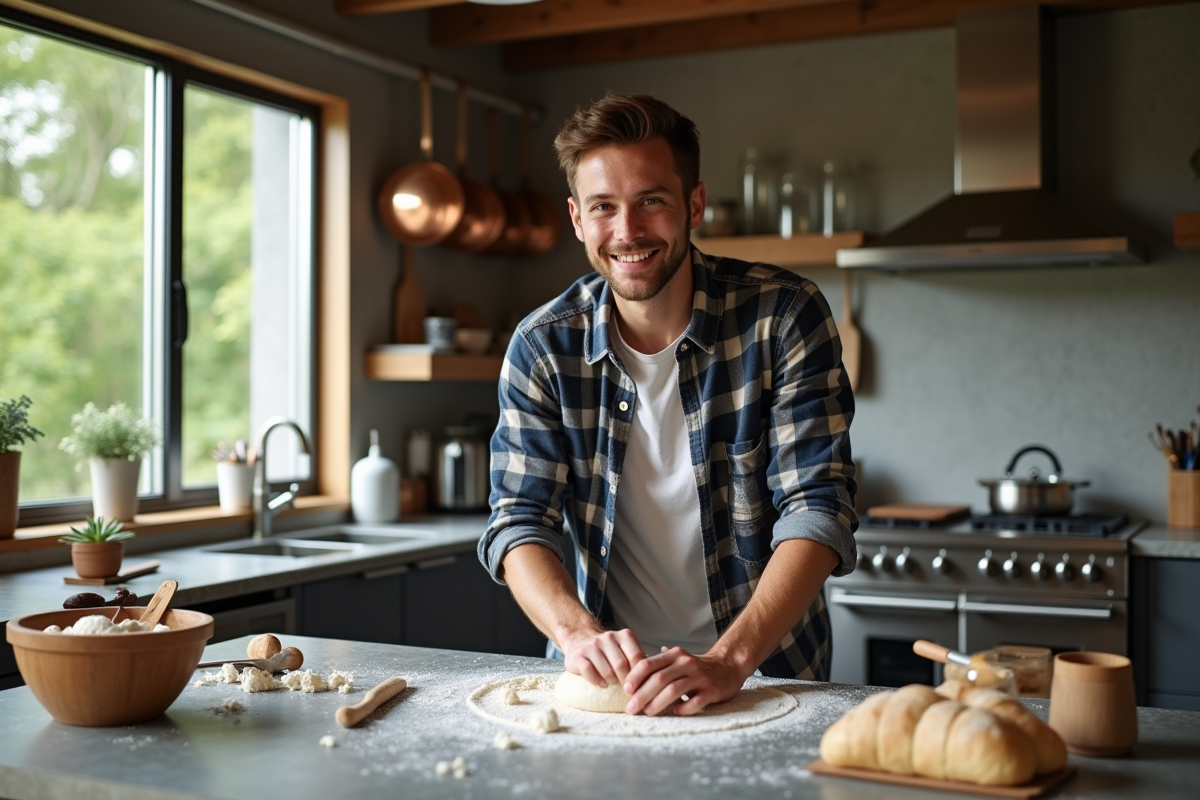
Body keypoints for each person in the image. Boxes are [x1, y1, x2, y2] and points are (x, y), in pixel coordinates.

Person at [478, 94, 857, 718]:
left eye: (651, 200)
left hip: (764, 675)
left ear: (694, 205)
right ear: (577, 218)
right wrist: (575, 635)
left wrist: (729, 661)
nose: (627, 232)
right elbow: (519, 520)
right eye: (604, 207)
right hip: (603, 691)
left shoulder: (784, 316)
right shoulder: (542, 346)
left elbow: (817, 506)